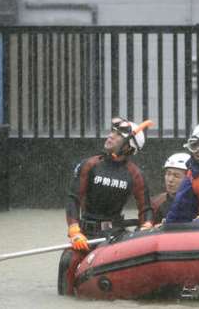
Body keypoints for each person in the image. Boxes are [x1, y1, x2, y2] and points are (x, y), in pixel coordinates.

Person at [58, 117, 154, 296]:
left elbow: (146, 209)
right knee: (67, 261)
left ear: (129, 146)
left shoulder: (135, 174)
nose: (110, 136)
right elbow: (73, 198)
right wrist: (74, 231)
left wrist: (146, 227)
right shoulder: (90, 165)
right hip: (85, 234)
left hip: (114, 236)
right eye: (112, 132)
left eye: (118, 135)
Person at [151, 152, 190, 224]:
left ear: (189, 178)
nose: (170, 179)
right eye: (168, 174)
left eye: (176, 175)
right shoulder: (156, 202)